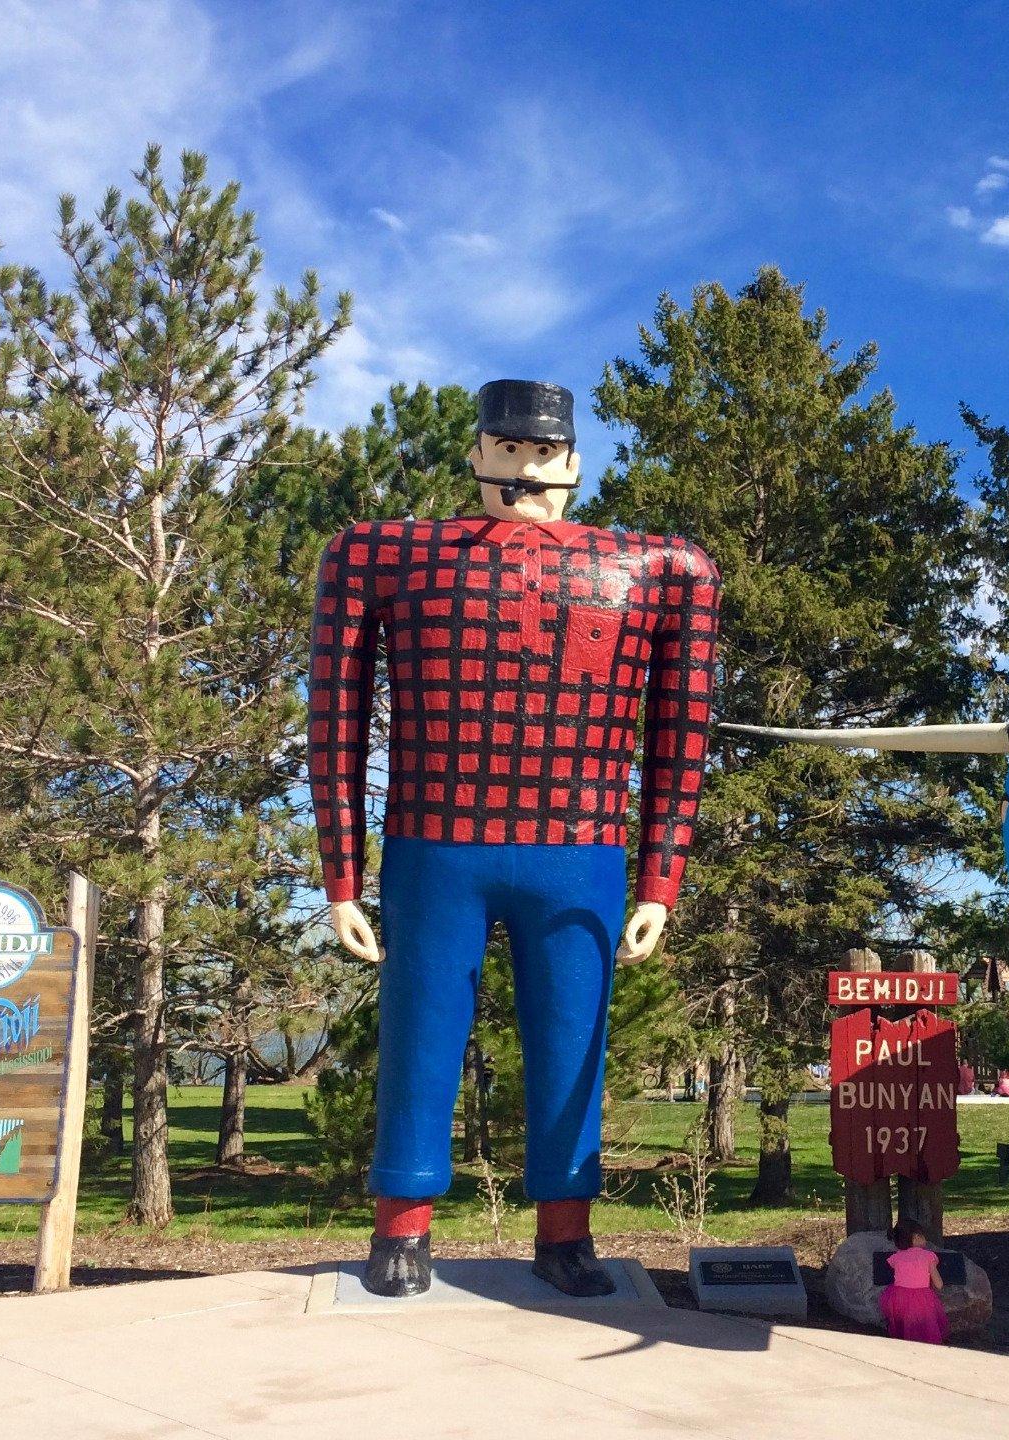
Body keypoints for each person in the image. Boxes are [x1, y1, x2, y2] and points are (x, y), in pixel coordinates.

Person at [309, 379, 720, 1298]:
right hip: (437, 841)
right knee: (420, 1031)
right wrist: (340, 876)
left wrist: (660, 880)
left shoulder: (661, 569)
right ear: (477, 456)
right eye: (507, 450)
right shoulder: (384, 556)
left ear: (572, 464)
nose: (525, 470)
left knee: (575, 1040)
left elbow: (680, 734)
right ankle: (403, 1227)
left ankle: (565, 1233)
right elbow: (334, 716)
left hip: (578, 846)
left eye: (542, 454)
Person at [880, 1220, 949, 1344]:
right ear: (917, 1237)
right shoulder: (928, 1256)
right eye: (924, 1236)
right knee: (926, 1328)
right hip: (921, 1299)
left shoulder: (896, 1257)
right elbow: (939, 1284)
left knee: (905, 1326)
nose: (926, 1240)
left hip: (898, 1298)